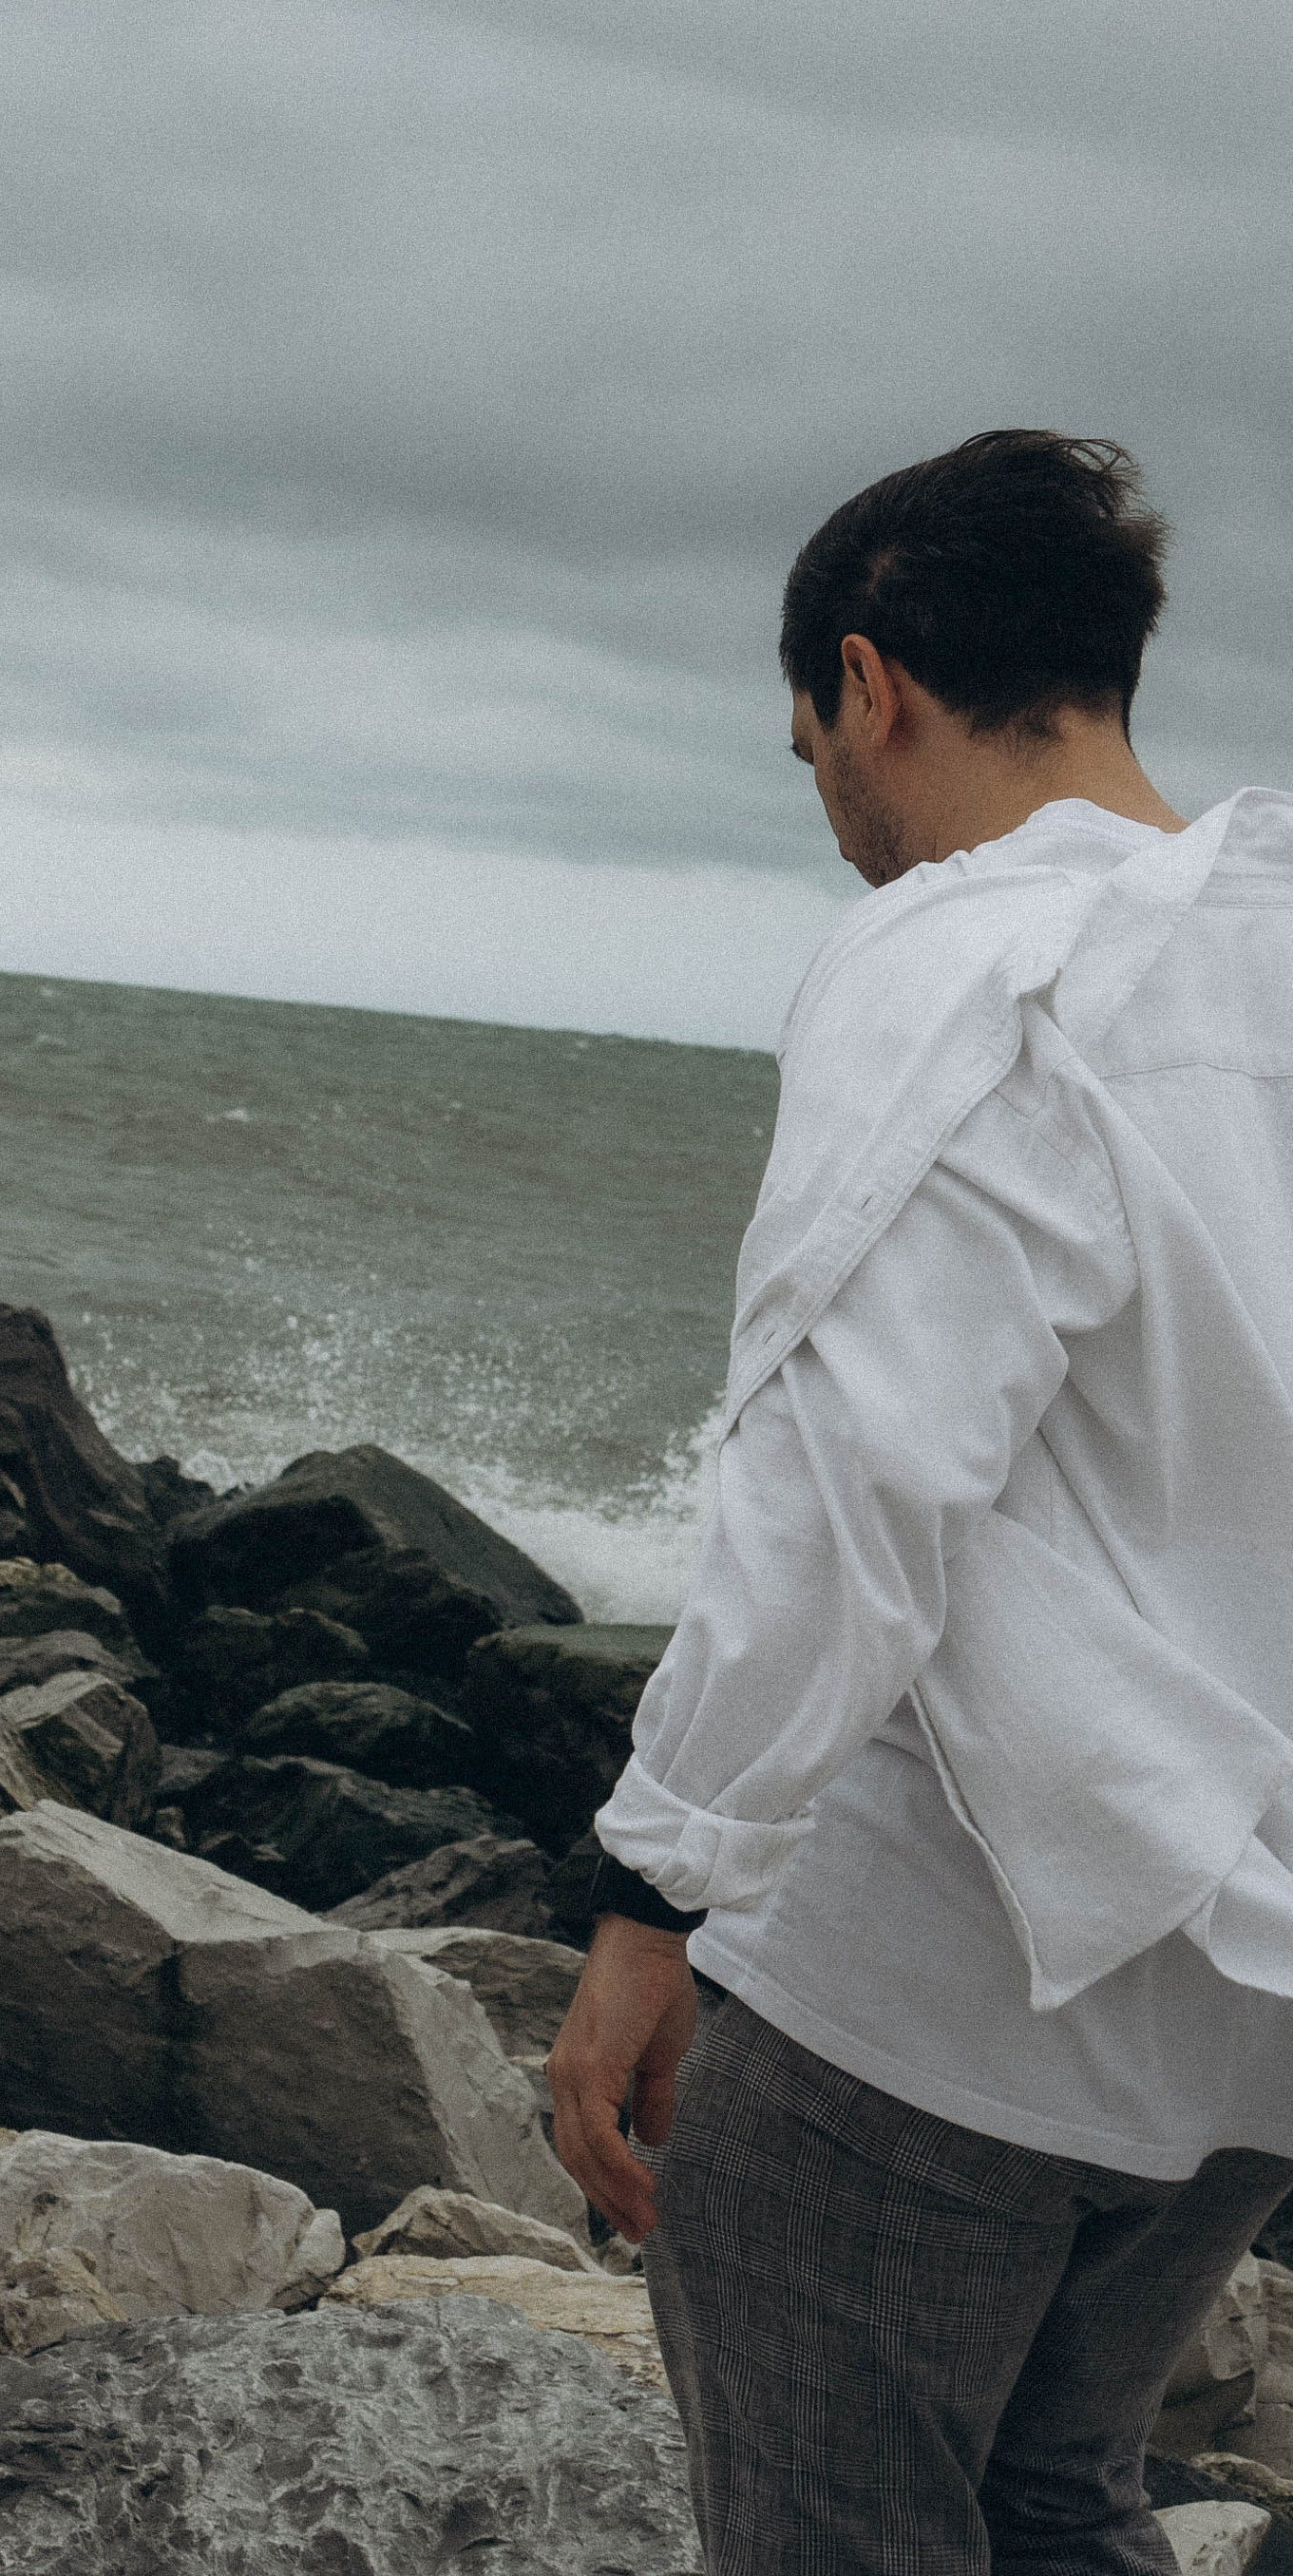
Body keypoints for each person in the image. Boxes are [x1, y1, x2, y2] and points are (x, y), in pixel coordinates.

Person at [545, 429, 1293, 2574]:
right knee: (1055, 2500)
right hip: (1241, 2011)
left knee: (836, 2535)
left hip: (935, 1981)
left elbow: (848, 1485)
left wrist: (651, 1894)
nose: (838, 827)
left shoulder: (960, 962)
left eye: (809, 756)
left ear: (868, 688)